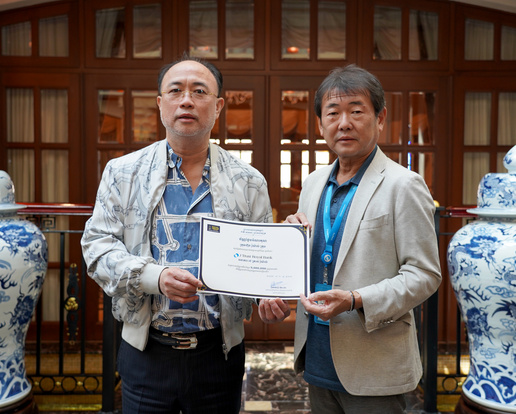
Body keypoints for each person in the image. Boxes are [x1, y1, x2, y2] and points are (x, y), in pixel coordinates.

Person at [81, 55, 284, 414]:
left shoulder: (249, 181)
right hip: (146, 352)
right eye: (176, 91)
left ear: (218, 106)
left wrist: (267, 297)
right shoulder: (122, 173)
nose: (187, 100)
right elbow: (97, 248)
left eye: (199, 91)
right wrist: (154, 278)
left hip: (219, 356)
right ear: (160, 104)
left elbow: (259, 260)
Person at [258, 64, 442, 413]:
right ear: (320, 124)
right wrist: (285, 259)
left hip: (374, 364)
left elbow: (425, 275)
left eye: (356, 111)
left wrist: (356, 299)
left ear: (380, 118)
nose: (344, 123)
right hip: (316, 359)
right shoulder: (313, 184)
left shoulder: (404, 185)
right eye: (333, 113)